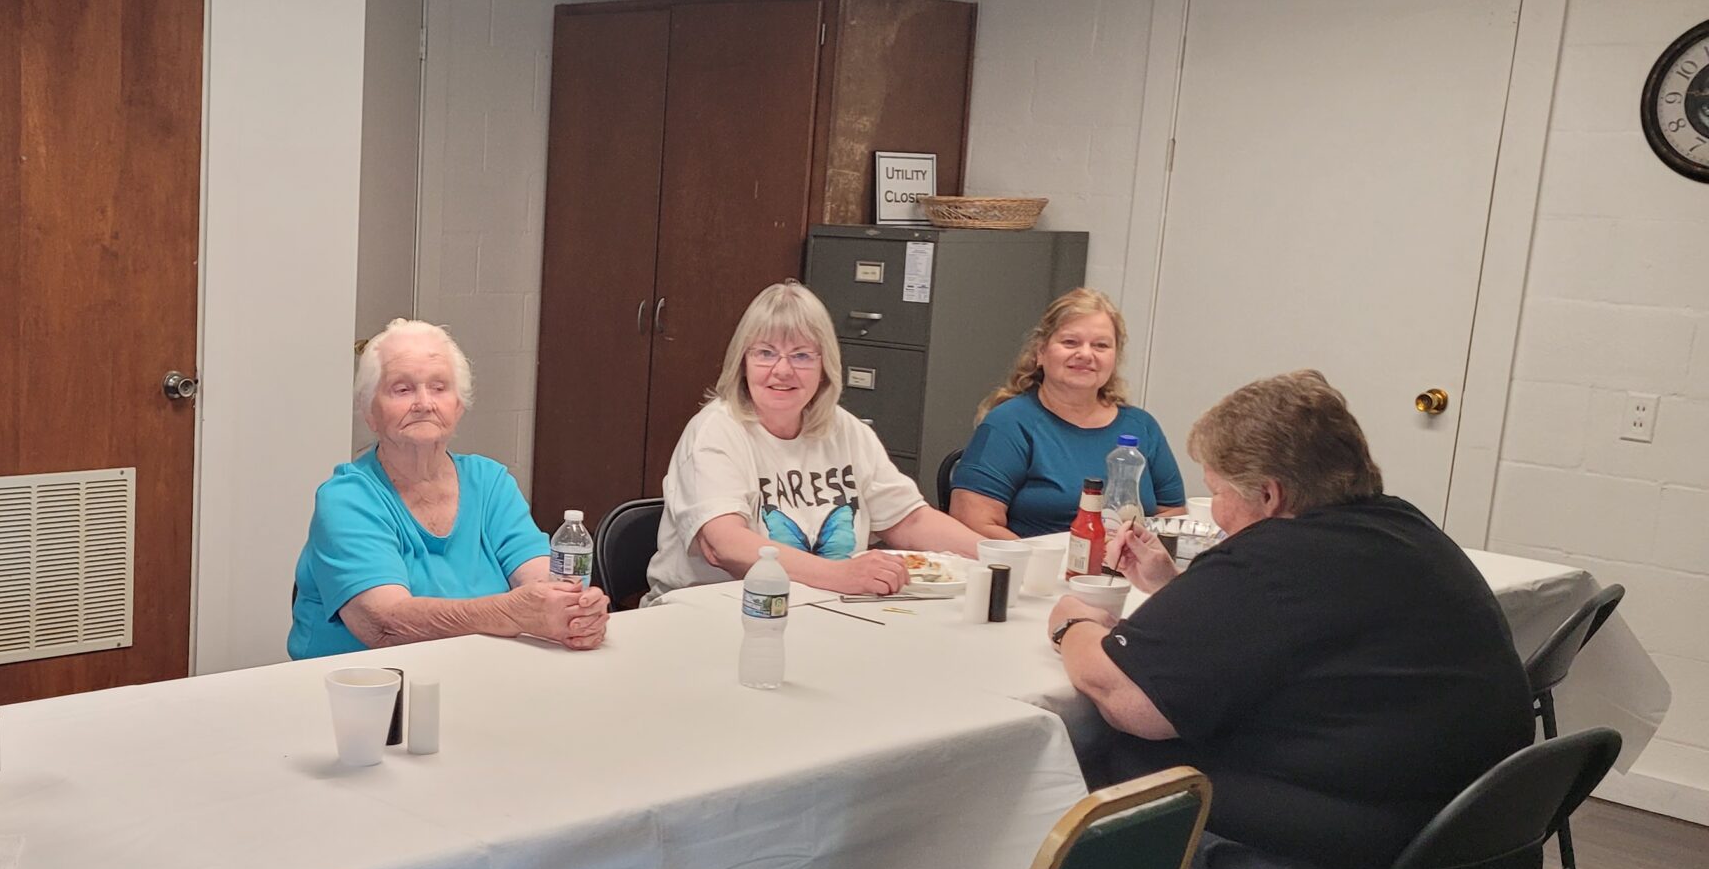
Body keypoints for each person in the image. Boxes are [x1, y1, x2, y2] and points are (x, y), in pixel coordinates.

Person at [943, 370, 1534, 869]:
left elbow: (1130, 696)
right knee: (1165, 777)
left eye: (1219, 493)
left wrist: (1076, 624)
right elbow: (1288, 648)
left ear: (1270, 494)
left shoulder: (1276, 563)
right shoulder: (1402, 536)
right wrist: (1173, 589)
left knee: (1047, 857)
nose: (1210, 513)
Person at [646, 281, 983, 602]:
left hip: (821, 607)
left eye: (802, 355)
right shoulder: (716, 431)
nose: (782, 370)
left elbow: (910, 520)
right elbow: (725, 545)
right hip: (715, 612)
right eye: (765, 353)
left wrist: (1001, 556)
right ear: (742, 363)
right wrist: (841, 576)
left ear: (825, 366)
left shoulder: (845, 430)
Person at [289, 318, 607, 657]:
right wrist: (513, 613)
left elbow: (539, 579)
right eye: (402, 389)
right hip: (362, 692)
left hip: (478, 674)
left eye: (439, 388)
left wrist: (573, 610)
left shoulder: (490, 482)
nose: (424, 403)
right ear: (370, 412)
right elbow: (384, 624)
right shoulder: (347, 499)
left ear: (458, 406)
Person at [947, 288, 1185, 539]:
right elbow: (973, 525)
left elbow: (1172, 514)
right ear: (1040, 352)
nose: (1085, 354)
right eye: (1070, 342)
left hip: (1126, 573)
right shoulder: (1008, 424)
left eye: (1100, 345)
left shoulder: (1142, 426)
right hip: (1038, 573)